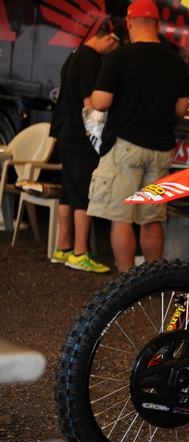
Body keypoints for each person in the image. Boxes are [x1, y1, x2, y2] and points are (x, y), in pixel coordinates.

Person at [87, 0, 189, 272]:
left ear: (130, 23)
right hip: (161, 150)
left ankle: (126, 283)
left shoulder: (119, 57)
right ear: (156, 24)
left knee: (121, 218)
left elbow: (101, 101)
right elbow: (182, 108)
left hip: (125, 148)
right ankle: (152, 281)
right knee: (151, 219)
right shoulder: (176, 61)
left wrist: (91, 98)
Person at [49, 23, 119, 273]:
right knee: (83, 194)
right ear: (109, 39)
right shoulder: (91, 60)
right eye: (115, 45)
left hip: (64, 130)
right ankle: (80, 253)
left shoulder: (75, 54)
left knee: (68, 192)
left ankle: (63, 248)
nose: (114, 50)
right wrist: (100, 134)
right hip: (81, 135)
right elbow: (91, 103)